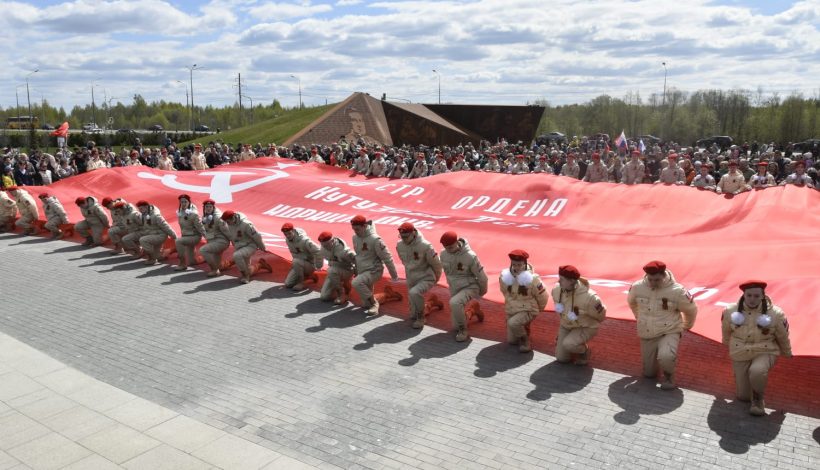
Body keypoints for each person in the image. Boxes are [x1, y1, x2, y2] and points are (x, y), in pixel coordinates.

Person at [721, 280, 792, 416]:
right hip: (740, 351)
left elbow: (783, 335)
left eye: (756, 296)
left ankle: (759, 399)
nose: (752, 299)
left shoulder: (776, 314)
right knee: (743, 397)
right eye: (749, 295)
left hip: (765, 350)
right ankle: (749, 391)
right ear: (744, 295)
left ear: (763, 296)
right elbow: (725, 329)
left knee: (757, 371)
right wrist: (725, 342)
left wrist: (787, 352)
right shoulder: (730, 310)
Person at [627, 260, 698, 390]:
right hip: (647, 331)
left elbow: (691, 310)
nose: (653, 283)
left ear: (664, 275)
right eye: (651, 279)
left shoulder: (678, 291)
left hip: (669, 330)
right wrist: (639, 317)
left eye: (657, 280)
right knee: (649, 374)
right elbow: (632, 302)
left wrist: (686, 326)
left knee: (666, 356)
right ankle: (654, 369)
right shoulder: (638, 287)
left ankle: (669, 376)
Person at [439, 231, 488, 342]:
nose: (448, 250)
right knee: (455, 326)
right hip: (454, 288)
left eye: (451, 247)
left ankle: (463, 330)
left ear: (457, 242)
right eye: (446, 247)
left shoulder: (470, 256)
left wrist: (481, 292)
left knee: (454, 303)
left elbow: (483, 277)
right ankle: (473, 311)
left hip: (470, 286)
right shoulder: (443, 254)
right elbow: (447, 272)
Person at [551, 265, 606, 364]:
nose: (559, 281)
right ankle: (570, 343)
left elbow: (601, 315)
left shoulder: (590, 298)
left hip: (584, 326)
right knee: (562, 359)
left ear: (572, 281)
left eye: (562, 279)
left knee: (569, 344)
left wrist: (587, 324)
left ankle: (584, 351)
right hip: (566, 325)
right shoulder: (556, 290)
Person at [395, 222, 442, 329]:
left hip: (426, 277)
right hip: (411, 277)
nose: (404, 239)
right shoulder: (400, 245)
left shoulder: (425, 246)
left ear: (413, 233)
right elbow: (404, 261)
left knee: (414, 292)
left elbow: (437, 264)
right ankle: (431, 304)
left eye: (406, 237)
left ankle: (421, 318)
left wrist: (436, 279)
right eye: (402, 237)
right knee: (412, 310)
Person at [499, 250, 548, 352]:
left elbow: (543, 296)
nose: (516, 267)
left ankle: (525, 340)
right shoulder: (505, 276)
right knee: (512, 341)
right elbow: (505, 292)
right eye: (514, 264)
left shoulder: (533, 279)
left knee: (513, 323)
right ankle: (523, 326)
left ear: (525, 263)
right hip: (512, 309)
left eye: (519, 265)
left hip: (528, 309)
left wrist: (538, 309)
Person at [350, 215, 399, 315]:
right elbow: (359, 255)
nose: (355, 231)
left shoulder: (375, 240)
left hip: (374, 270)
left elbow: (387, 258)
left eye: (357, 229)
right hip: (362, 270)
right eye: (353, 229)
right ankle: (388, 295)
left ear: (364, 226)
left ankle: (374, 304)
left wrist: (394, 275)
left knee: (356, 283)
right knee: (366, 302)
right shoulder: (355, 237)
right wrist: (356, 268)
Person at [222, 210, 271, 283]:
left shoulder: (246, 224)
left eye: (228, 221)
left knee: (237, 255)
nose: (226, 223)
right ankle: (260, 265)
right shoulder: (230, 224)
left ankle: (245, 277)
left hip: (250, 245)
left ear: (233, 218)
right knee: (248, 270)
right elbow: (232, 236)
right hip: (240, 246)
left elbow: (257, 236)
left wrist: (262, 247)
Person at [318, 231, 356, 304]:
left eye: (326, 245)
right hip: (334, 272)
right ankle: (341, 286)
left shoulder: (343, 251)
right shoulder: (323, 248)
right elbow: (318, 255)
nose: (325, 247)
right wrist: (318, 266)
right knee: (324, 297)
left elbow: (356, 261)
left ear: (332, 241)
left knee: (331, 270)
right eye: (323, 245)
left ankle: (341, 293)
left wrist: (357, 274)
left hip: (347, 270)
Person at [282, 223, 323, 290]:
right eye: (285, 234)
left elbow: (318, 251)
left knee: (295, 261)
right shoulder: (287, 240)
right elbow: (293, 253)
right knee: (288, 284)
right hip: (299, 263)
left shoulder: (304, 241)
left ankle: (301, 282)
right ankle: (311, 277)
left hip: (310, 264)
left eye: (289, 233)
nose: (287, 236)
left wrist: (318, 266)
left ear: (293, 231)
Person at [135, 200, 177, 265]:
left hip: (160, 235)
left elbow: (165, 226)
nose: (140, 210)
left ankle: (152, 259)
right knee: (159, 256)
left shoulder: (156, 215)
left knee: (143, 240)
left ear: (146, 207)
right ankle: (172, 250)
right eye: (139, 209)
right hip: (152, 234)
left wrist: (174, 236)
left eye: (141, 208)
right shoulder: (143, 215)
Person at [199, 199, 233, 277]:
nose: (208, 208)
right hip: (212, 240)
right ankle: (230, 263)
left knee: (203, 250)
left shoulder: (218, 218)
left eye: (210, 207)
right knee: (218, 263)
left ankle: (214, 271)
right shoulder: (205, 216)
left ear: (213, 207)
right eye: (206, 207)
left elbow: (226, 231)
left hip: (221, 241)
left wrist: (234, 241)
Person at [175, 194, 206, 271]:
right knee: (192, 262)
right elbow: (182, 227)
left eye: (185, 202)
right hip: (186, 236)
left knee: (178, 241)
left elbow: (200, 227)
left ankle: (182, 264)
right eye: (182, 202)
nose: (183, 203)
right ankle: (203, 258)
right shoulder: (180, 212)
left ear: (189, 202)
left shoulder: (193, 214)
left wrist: (207, 237)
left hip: (194, 236)